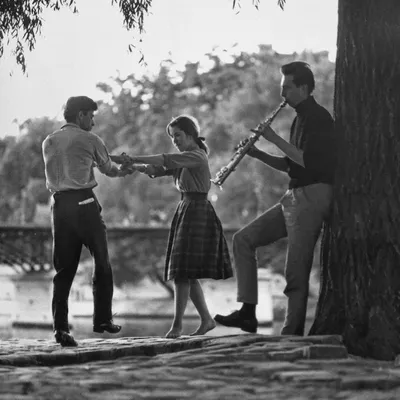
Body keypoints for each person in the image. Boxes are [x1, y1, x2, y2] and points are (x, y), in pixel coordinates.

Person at [214, 61, 336, 336]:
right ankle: (247, 313)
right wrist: (256, 153)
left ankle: (291, 333)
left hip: (313, 194)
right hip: (294, 195)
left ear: (304, 87)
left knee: (295, 269)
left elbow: (308, 161)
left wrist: (273, 138)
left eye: (287, 88)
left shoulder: (319, 118)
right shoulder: (298, 118)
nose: (283, 96)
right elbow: (291, 165)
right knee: (243, 240)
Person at [114, 115, 233, 338]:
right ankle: (206, 320)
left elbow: (164, 159)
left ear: (190, 135)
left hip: (196, 210)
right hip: (187, 209)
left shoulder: (196, 156)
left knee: (182, 271)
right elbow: (156, 169)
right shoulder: (185, 158)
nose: (175, 141)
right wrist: (134, 165)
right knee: (185, 271)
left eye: (177, 135)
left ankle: (177, 326)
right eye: (172, 137)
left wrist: (131, 157)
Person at [42, 96, 135, 347]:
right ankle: (102, 319)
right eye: (91, 117)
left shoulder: (48, 141)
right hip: (84, 205)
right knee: (102, 262)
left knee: (63, 271)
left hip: (59, 208)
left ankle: (60, 329)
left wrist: (106, 158)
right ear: (81, 115)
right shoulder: (91, 139)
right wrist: (124, 169)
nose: (93, 122)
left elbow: (78, 158)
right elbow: (108, 169)